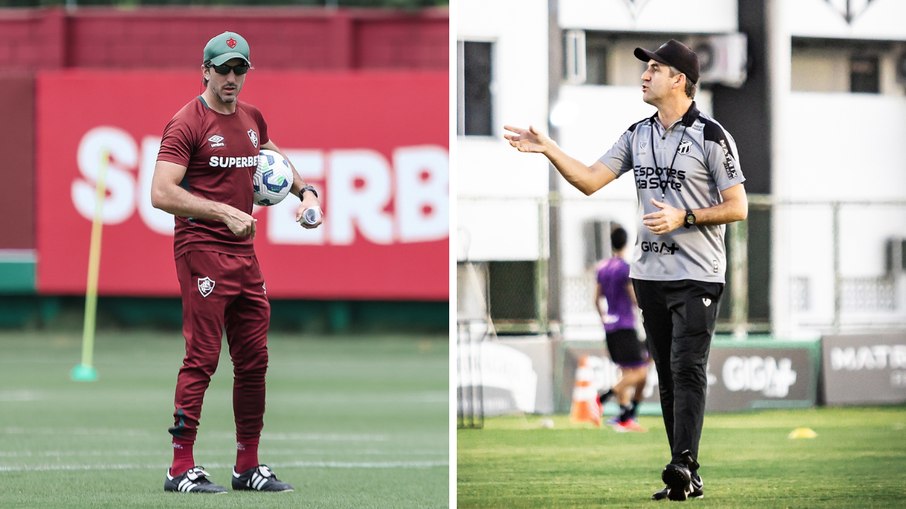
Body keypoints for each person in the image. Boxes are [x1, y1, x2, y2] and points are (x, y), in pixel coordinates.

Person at [505, 39, 747, 501]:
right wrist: (550, 149)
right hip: (650, 276)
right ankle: (685, 475)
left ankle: (683, 463)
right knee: (667, 373)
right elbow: (591, 181)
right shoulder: (637, 133)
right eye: (646, 68)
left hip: (698, 275)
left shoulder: (712, 136)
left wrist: (686, 217)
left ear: (679, 79)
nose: (644, 74)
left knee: (687, 367)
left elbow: (738, 207)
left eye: (654, 68)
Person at [151, 31, 322, 494]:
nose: (231, 77)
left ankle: (248, 466)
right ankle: (179, 467)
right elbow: (161, 192)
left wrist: (305, 192)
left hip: (244, 257)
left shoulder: (251, 118)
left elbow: (272, 157)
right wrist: (224, 211)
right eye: (223, 68)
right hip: (201, 248)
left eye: (239, 69)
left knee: (254, 361)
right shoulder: (187, 122)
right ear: (205, 70)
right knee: (203, 357)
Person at [594, 226, 649, 433]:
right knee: (641, 373)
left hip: (611, 326)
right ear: (626, 243)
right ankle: (603, 398)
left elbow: (596, 298)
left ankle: (625, 418)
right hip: (626, 325)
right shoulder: (625, 268)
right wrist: (644, 310)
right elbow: (633, 297)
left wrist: (604, 320)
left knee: (625, 371)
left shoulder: (602, 268)